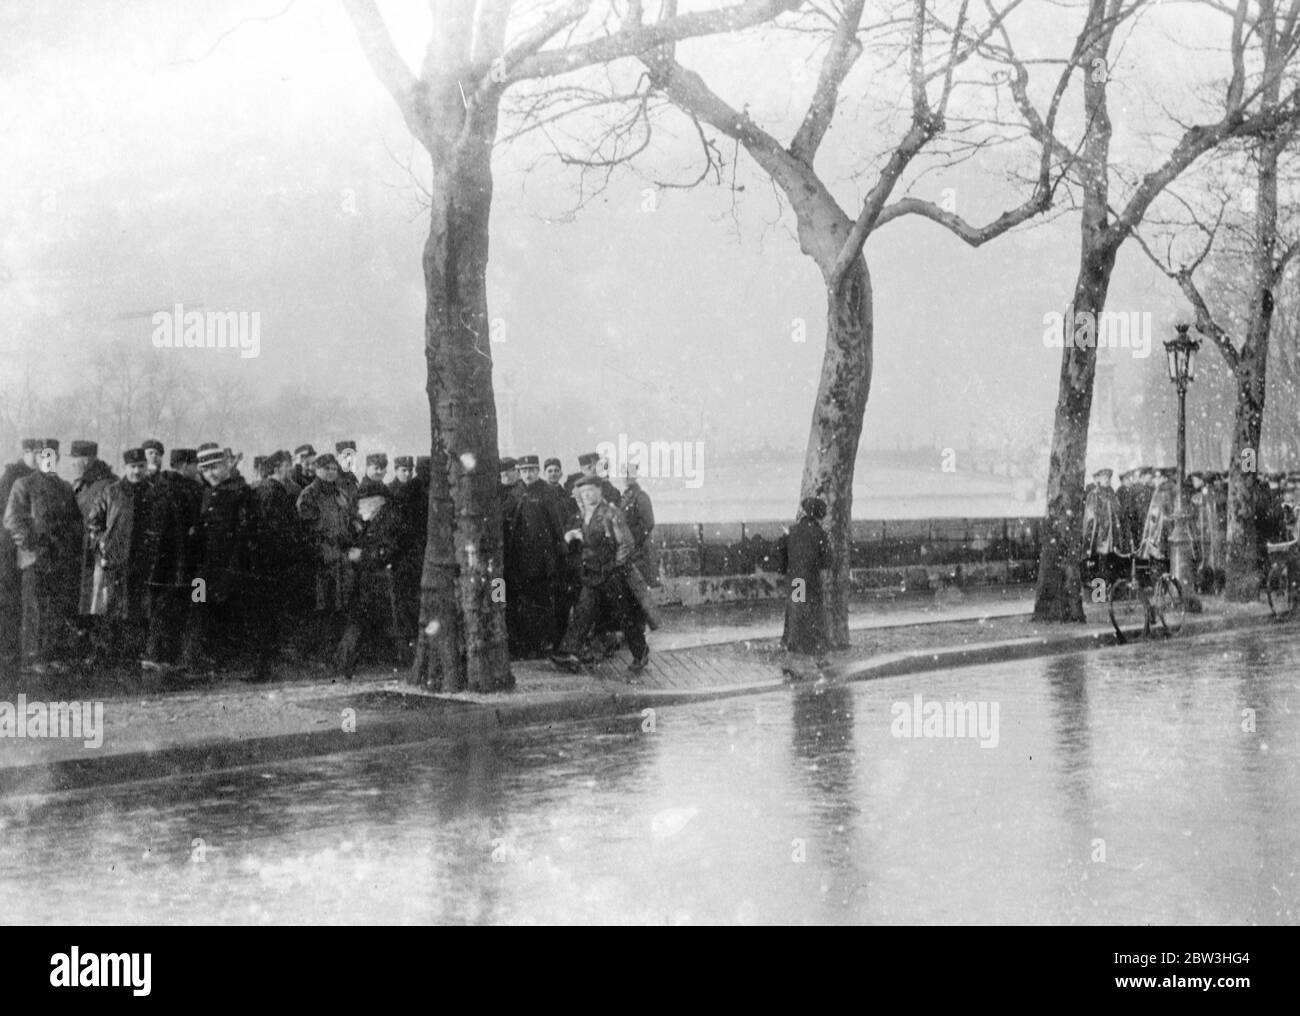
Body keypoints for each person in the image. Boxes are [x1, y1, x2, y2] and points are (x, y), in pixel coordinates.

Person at [549, 475, 649, 675]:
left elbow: (627, 544)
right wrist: (573, 536)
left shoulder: (610, 513)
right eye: (584, 492)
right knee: (582, 613)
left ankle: (640, 652)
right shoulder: (585, 514)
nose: (587, 495)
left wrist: (614, 566)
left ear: (600, 491)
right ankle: (568, 653)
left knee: (624, 615)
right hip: (592, 575)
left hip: (611, 575)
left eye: (591, 490)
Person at [3, 440, 82, 674]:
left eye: (51, 456)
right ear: (37, 458)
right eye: (42, 455)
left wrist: (68, 545)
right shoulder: (23, 485)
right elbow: (13, 519)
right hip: (35, 560)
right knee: (35, 608)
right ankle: (33, 658)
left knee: (57, 609)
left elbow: (76, 522)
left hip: (60, 559)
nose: (47, 460)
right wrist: (31, 545)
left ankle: (53, 655)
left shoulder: (65, 487)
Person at [194, 443, 259, 671]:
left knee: (229, 612)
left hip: (229, 567)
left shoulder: (240, 493)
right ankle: (202, 659)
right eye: (205, 468)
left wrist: (233, 568)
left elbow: (245, 534)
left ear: (225, 465)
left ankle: (234, 662)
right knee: (199, 607)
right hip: (202, 569)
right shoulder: (205, 493)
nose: (210, 473)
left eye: (215, 467)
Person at [86, 448, 154, 663]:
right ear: (125, 468)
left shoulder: (153, 492)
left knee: (138, 608)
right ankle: (105, 653)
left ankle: (132, 653)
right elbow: (93, 522)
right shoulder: (111, 492)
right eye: (132, 467)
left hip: (143, 560)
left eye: (141, 467)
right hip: (115, 559)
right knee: (110, 606)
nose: (137, 471)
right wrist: (101, 546)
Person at [335, 477, 407, 678]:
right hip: (372, 582)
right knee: (360, 621)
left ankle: (345, 665)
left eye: (362, 503)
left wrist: (362, 555)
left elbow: (389, 549)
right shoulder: (375, 519)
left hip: (385, 583)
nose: (359, 508)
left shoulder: (389, 520)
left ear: (377, 501)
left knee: (367, 623)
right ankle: (344, 665)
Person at [142, 448, 204, 673]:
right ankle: (188, 657)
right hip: (193, 566)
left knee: (161, 608)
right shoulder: (193, 490)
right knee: (196, 606)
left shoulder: (158, 487)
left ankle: (154, 654)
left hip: (163, 567)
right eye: (195, 464)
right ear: (186, 465)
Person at [249, 450, 307, 679]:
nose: (290, 469)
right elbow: (275, 529)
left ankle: (264, 667)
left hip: (269, 562)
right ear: (277, 468)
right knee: (268, 615)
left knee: (270, 615)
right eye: (287, 465)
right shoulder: (272, 491)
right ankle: (263, 668)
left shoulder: (271, 490)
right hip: (272, 563)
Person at [297, 452, 359, 666]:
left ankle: (336, 656)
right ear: (316, 470)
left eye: (334, 468)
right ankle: (319, 656)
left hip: (342, 559)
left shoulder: (341, 494)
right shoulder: (309, 495)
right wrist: (327, 544)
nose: (331, 472)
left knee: (341, 606)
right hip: (322, 561)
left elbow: (350, 519)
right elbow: (308, 528)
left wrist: (352, 534)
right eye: (326, 468)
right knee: (323, 609)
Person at [505, 454, 566, 657]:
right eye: (524, 471)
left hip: (541, 559)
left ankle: (542, 643)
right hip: (519, 559)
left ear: (537, 471)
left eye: (531, 470)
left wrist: (558, 553)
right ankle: (524, 643)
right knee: (520, 603)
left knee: (541, 602)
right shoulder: (515, 492)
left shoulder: (546, 492)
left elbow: (556, 524)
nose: (528, 474)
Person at [69, 440, 118, 633]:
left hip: (98, 555)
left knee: (98, 601)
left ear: (88, 460)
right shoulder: (81, 484)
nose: (73, 464)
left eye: (76, 459)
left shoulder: (108, 484)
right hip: (81, 555)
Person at [0, 438, 39, 674]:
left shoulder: (38, 479)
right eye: (32, 452)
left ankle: (18, 650)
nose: (37, 457)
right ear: (25, 453)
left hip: (24, 549)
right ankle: (8, 650)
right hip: (9, 548)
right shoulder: (12, 478)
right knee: (9, 600)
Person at [778, 496, 831, 657]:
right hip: (812, 579)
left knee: (795, 610)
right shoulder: (820, 534)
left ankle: (792, 643)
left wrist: (787, 568)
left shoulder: (792, 531)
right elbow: (827, 561)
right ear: (819, 516)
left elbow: (781, 554)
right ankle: (813, 646)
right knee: (814, 612)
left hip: (796, 579)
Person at [619, 458, 661, 631]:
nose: (627, 477)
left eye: (630, 474)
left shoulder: (641, 496)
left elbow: (648, 523)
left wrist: (632, 542)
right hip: (631, 551)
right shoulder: (625, 497)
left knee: (639, 590)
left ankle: (641, 628)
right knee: (631, 590)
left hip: (639, 551)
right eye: (624, 474)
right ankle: (636, 627)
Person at [1080, 467, 1131, 591]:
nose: (1107, 480)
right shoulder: (1094, 495)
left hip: (1112, 536)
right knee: (1100, 564)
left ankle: (1111, 592)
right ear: (1098, 479)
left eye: (1108, 478)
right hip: (1100, 537)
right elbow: (1091, 517)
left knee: (1110, 564)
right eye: (1104, 477)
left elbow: (1118, 512)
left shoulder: (1112, 494)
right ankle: (1099, 595)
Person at [335, 441, 360, 505]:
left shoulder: (349, 474)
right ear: (337, 455)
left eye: (352, 456)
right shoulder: (334, 476)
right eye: (346, 456)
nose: (349, 460)